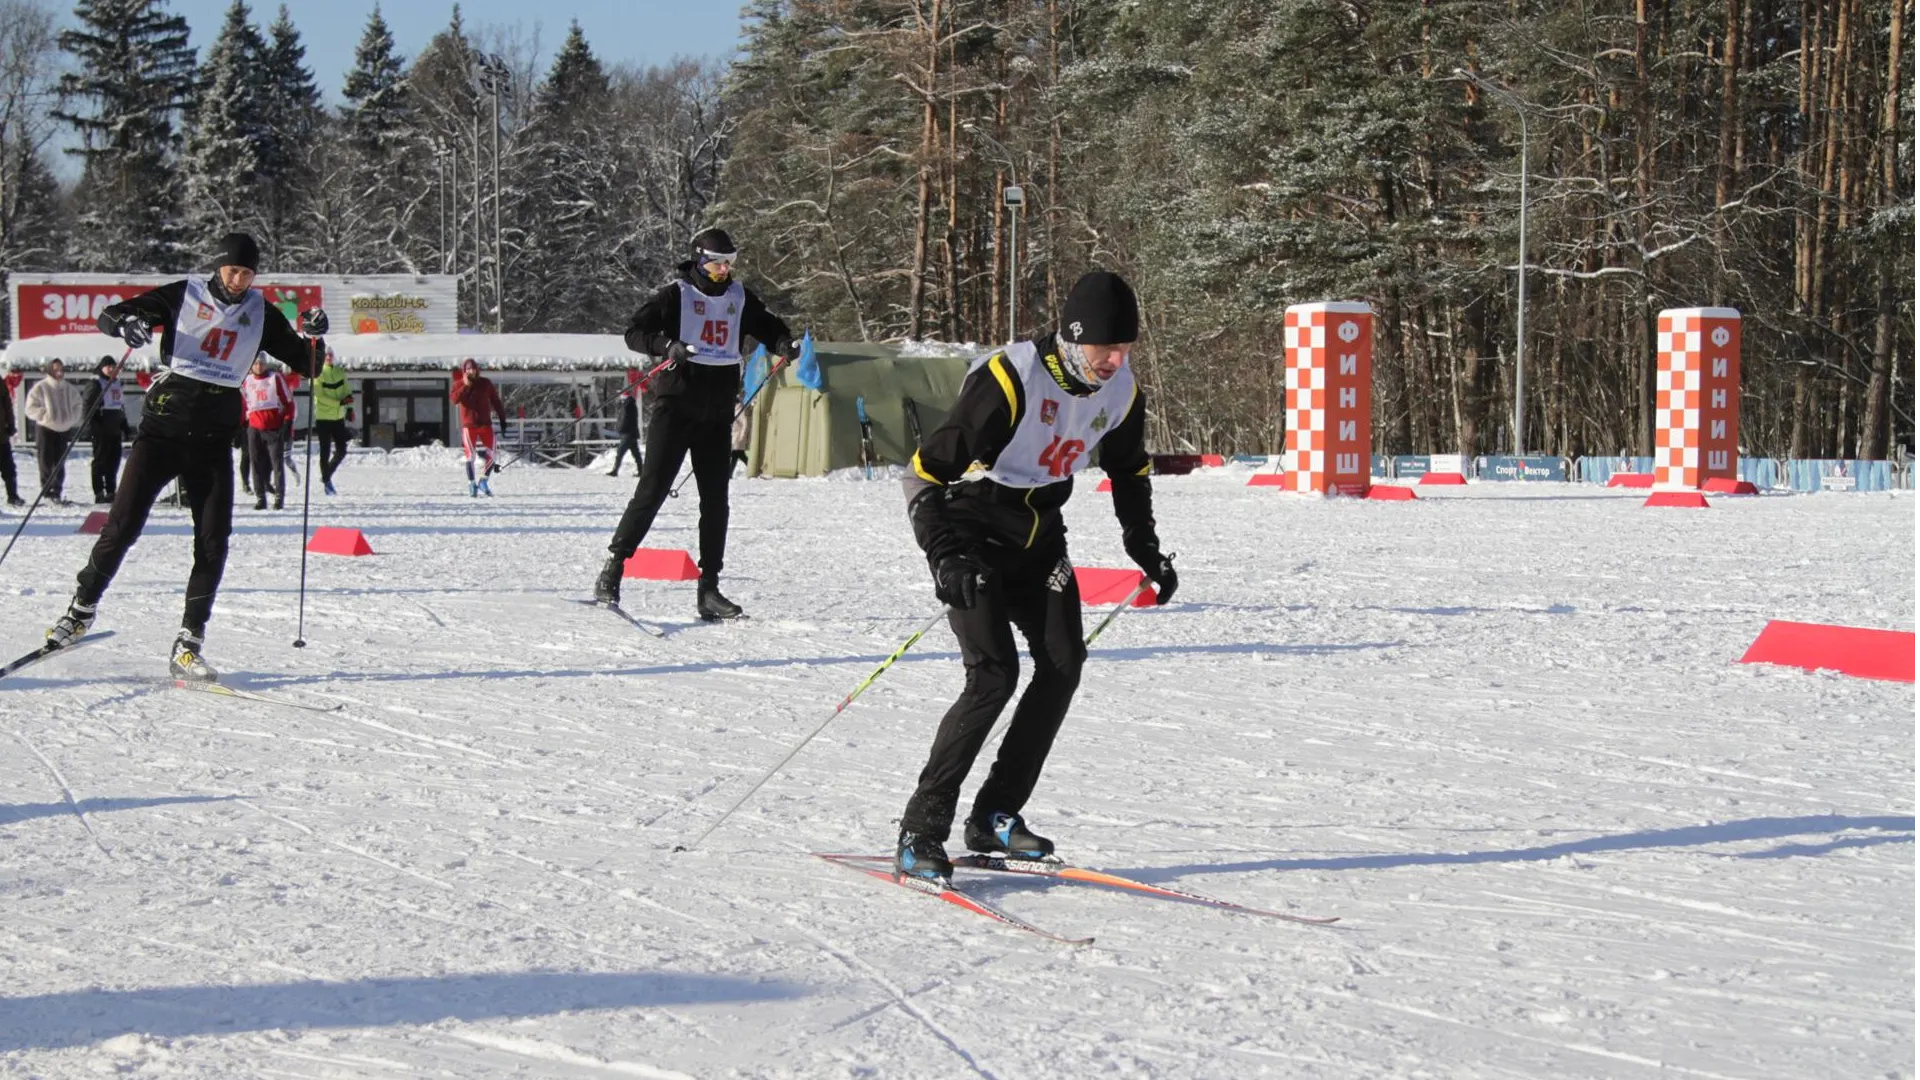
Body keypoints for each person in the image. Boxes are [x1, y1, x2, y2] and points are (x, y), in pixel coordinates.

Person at [889, 270, 1178, 883]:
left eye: (1126, 349)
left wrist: (1144, 546)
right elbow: (923, 474)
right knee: (993, 676)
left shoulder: (1120, 388)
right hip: (971, 530)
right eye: (1106, 348)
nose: (1116, 360)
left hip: (1039, 536)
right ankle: (921, 828)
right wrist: (945, 555)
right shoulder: (1009, 380)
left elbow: (1129, 470)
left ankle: (995, 813)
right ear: (1074, 338)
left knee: (1063, 664)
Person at [42, 231, 327, 681]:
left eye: (247, 273)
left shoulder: (261, 313)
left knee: (213, 542)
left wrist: (314, 336)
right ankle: (80, 611)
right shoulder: (184, 294)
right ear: (218, 266)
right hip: (163, 432)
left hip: (213, 441)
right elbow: (110, 315)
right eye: (232, 270)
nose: (238, 280)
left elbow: (309, 364)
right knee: (123, 525)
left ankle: (189, 643)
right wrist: (126, 325)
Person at [591, 227, 797, 620]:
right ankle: (613, 569)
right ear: (701, 260)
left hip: (717, 415)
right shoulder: (678, 295)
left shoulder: (739, 297)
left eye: (730, 263)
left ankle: (709, 589)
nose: (725, 270)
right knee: (652, 490)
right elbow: (635, 332)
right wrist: (666, 346)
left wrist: (783, 344)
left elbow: (769, 326)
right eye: (719, 263)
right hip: (676, 408)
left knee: (716, 502)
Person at [23, 358, 85, 506]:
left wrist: (70, 419)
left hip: (63, 429)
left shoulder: (69, 388)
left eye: (61, 369)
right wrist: (45, 415)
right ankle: (46, 491)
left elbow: (78, 405)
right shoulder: (40, 387)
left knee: (60, 461)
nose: (59, 373)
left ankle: (57, 490)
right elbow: (30, 408)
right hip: (45, 428)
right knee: (45, 460)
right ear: (50, 370)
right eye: (56, 369)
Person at [240, 355, 295, 510]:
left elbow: (288, 402)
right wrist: (240, 426)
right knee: (255, 463)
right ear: (251, 366)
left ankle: (279, 497)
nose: (259, 366)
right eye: (256, 363)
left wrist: (287, 422)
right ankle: (260, 498)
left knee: (276, 464)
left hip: (273, 428)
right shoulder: (246, 381)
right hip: (254, 428)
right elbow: (243, 404)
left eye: (261, 363)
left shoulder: (274, 378)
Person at [450, 357, 506, 496]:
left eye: (473, 369)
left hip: (485, 424)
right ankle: (471, 484)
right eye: (468, 369)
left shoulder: (485, 383)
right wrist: (465, 386)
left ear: (477, 370)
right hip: (469, 425)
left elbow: (495, 400)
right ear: (464, 371)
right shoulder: (458, 384)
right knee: (471, 456)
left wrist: (502, 418)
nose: (471, 371)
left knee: (493, 454)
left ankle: (483, 481)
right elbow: (454, 400)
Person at [83, 356, 135, 503]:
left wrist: (125, 427)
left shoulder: (117, 383)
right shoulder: (96, 384)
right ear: (102, 368)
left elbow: (120, 406)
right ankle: (99, 491)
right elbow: (87, 407)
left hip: (115, 429)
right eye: (108, 367)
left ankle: (111, 491)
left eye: (114, 367)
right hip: (101, 428)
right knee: (100, 461)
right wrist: (91, 427)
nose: (112, 370)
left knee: (114, 461)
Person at [312, 347, 354, 495]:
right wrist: (339, 403)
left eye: (330, 355)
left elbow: (347, 390)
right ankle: (327, 483)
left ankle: (326, 475)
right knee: (325, 451)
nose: (328, 357)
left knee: (342, 450)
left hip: (338, 418)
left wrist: (350, 408)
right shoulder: (318, 373)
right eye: (326, 355)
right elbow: (320, 396)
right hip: (323, 418)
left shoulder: (339, 372)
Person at [0, 374, 25, 507]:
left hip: (1, 436)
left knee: (8, 468)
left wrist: (10, 424)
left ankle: (13, 496)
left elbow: (6, 403)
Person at [607, 385, 641, 477]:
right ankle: (641, 471)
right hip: (631, 432)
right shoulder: (630, 404)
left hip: (627, 432)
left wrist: (620, 429)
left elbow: (624, 419)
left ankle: (615, 470)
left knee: (620, 452)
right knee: (636, 454)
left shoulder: (627, 405)